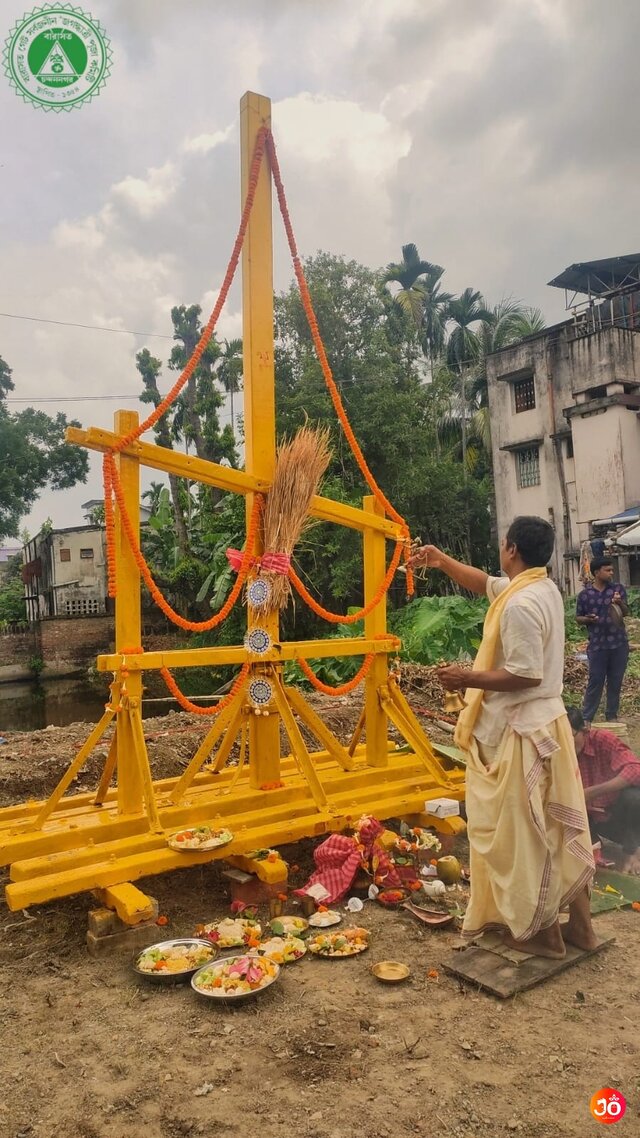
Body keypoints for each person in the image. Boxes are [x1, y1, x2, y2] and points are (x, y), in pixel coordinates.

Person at [409, 516, 596, 959]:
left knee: (520, 835)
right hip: (547, 723)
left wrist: (466, 677)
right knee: (554, 824)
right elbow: (485, 583)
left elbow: (525, 674)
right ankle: (581, 928)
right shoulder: (541, 589)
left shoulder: (519, 605)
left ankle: (542, 934)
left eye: (503, 543)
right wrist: (440, 561)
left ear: (511, 549)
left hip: (520, 731)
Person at [566, 707, 640, 874]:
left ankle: (632, 851)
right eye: (561, 739)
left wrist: (591, 792)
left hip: (616, 815)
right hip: (586, 819)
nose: (566, 744)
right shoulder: (557, 753)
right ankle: (592, 847)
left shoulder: (602, 740)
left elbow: (635, 770)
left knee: (634, 798)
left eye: (570, 737)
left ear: (584, 731)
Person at [575, 557, 629, 725]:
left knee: (615, 681)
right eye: (608, 570)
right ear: (597, 572)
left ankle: (611, 715)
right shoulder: (585, 595)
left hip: (619, 643)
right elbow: (578, 617)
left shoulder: (617, 590)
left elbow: (626, 612)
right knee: (596, 680)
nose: (611, 573)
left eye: (612, 570)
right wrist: (588, 619)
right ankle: (587, 717)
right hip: (597, 645)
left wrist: (619, 603)